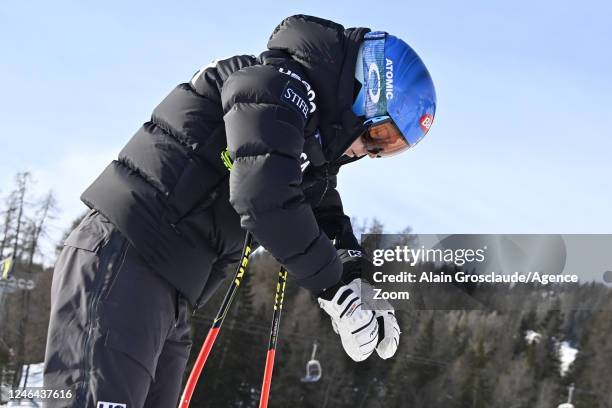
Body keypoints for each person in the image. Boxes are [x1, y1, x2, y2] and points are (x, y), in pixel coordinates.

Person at [43, 14, 436, 408]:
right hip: (127, 262)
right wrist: (334, 290)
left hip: (170, 290)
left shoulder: (302, 132)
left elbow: (321, 211)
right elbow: (264, 196)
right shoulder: (269, 85)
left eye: (388, 148)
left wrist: (356, 279)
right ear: (362, 90)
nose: (369, 151)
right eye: (377, 134)